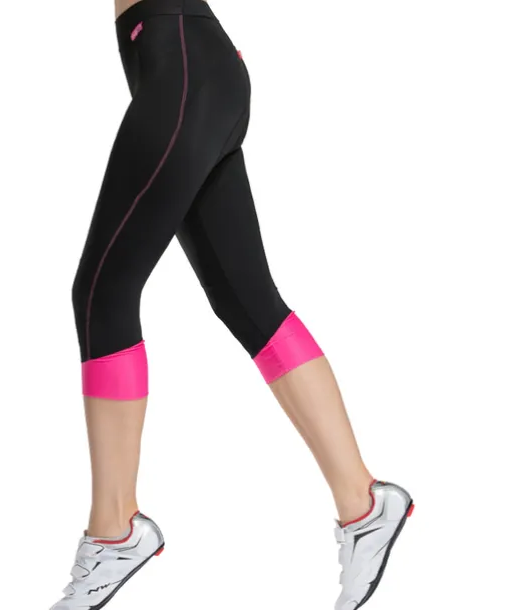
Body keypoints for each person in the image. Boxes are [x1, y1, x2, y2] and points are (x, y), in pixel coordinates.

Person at [51, 1, 414, 609]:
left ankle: (114, 530)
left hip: (182, 64)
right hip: (185, 64)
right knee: (247, 302)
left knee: (102, 291)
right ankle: (366, 506)